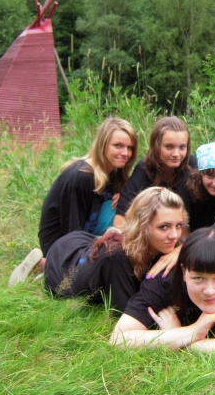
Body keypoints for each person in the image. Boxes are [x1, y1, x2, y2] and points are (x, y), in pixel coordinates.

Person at [10, 118, 138, 287]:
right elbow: (72, 232)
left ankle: (51, 268)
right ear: (102, 144)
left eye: (130, 148)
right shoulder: (81, 177)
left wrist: (125, 196)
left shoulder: (113, 173)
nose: (125, 153)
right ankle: (49, 266)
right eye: (118, 146)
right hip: (62, 243)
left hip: (88, 235)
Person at [109, 228, 215, 361]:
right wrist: (193, 331)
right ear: (184, 271)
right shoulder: (165, 279)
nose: (209, 291)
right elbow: (119, 340)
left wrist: (177, 338)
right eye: (198, 278)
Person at [42, 187, 186, 314]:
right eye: (163, 227)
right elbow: (126, 315)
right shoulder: (117, 257)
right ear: (142, 225)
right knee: (101, 255)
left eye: (178, 225)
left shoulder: (167, 243)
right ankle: (42, 265)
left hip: (87, 242)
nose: (175, 235)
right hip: (62, 262)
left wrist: (180, 251)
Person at [114, 116, 197, 227]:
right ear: (156, 146)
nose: (176, 154)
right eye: (169, 147)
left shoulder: (190, 165)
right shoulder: (144, 168)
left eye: (182, 147)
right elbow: (120, 218)